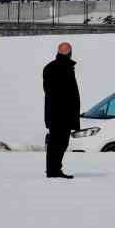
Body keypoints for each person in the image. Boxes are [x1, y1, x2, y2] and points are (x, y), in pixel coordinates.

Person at [42, 41, 82, 179]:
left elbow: (49, 91)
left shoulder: (50, 68)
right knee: (59, 143)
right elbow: (64, 93)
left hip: (56, 113)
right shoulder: (65, 68)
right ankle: (53, 171)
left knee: (57, 143)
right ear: (70, 53)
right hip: (61, 114)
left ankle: (53, 170)